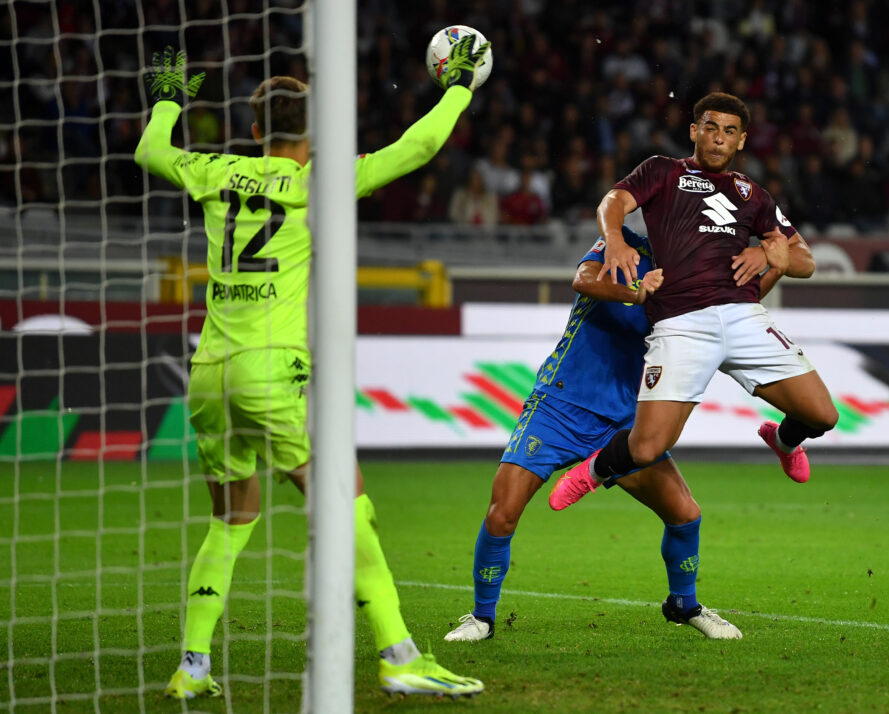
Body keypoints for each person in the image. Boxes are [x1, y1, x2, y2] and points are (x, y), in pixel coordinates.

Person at [135, 38, 490, 700]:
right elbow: (417, 147)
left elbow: (150, 152)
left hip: (208, 372)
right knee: (347, 499)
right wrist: (460, 89)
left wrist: (168, 101)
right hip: (272, 370)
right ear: (315, 132)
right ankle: (400, 655)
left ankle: (192, 665)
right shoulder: (318, 183)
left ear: (254, 131)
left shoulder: (215, 171)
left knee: (231, 518)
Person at [444, 226, 790, 643]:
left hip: (625, 420)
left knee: (685, 514)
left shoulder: (693, 269)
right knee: (503, 511)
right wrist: (636, 293)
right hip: (560, 404)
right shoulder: (622, 242)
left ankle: (684, 604)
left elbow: (730, 312)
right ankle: (481, 618)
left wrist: (774, 265)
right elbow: (583, 280)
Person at [549, 92, 839, 513]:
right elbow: (613, 201)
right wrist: (614, 239)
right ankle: (592, 472)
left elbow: (805, 261)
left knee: (823, 416)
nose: (719, 138)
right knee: (646, 448)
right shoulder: (663, 171)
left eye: (730, 131)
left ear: (741, 140)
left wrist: (765, 252)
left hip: (744, 318)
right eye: (711, 127)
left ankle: (782, 441)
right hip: (680, 323)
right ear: (694, 131)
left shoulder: (753, 195)